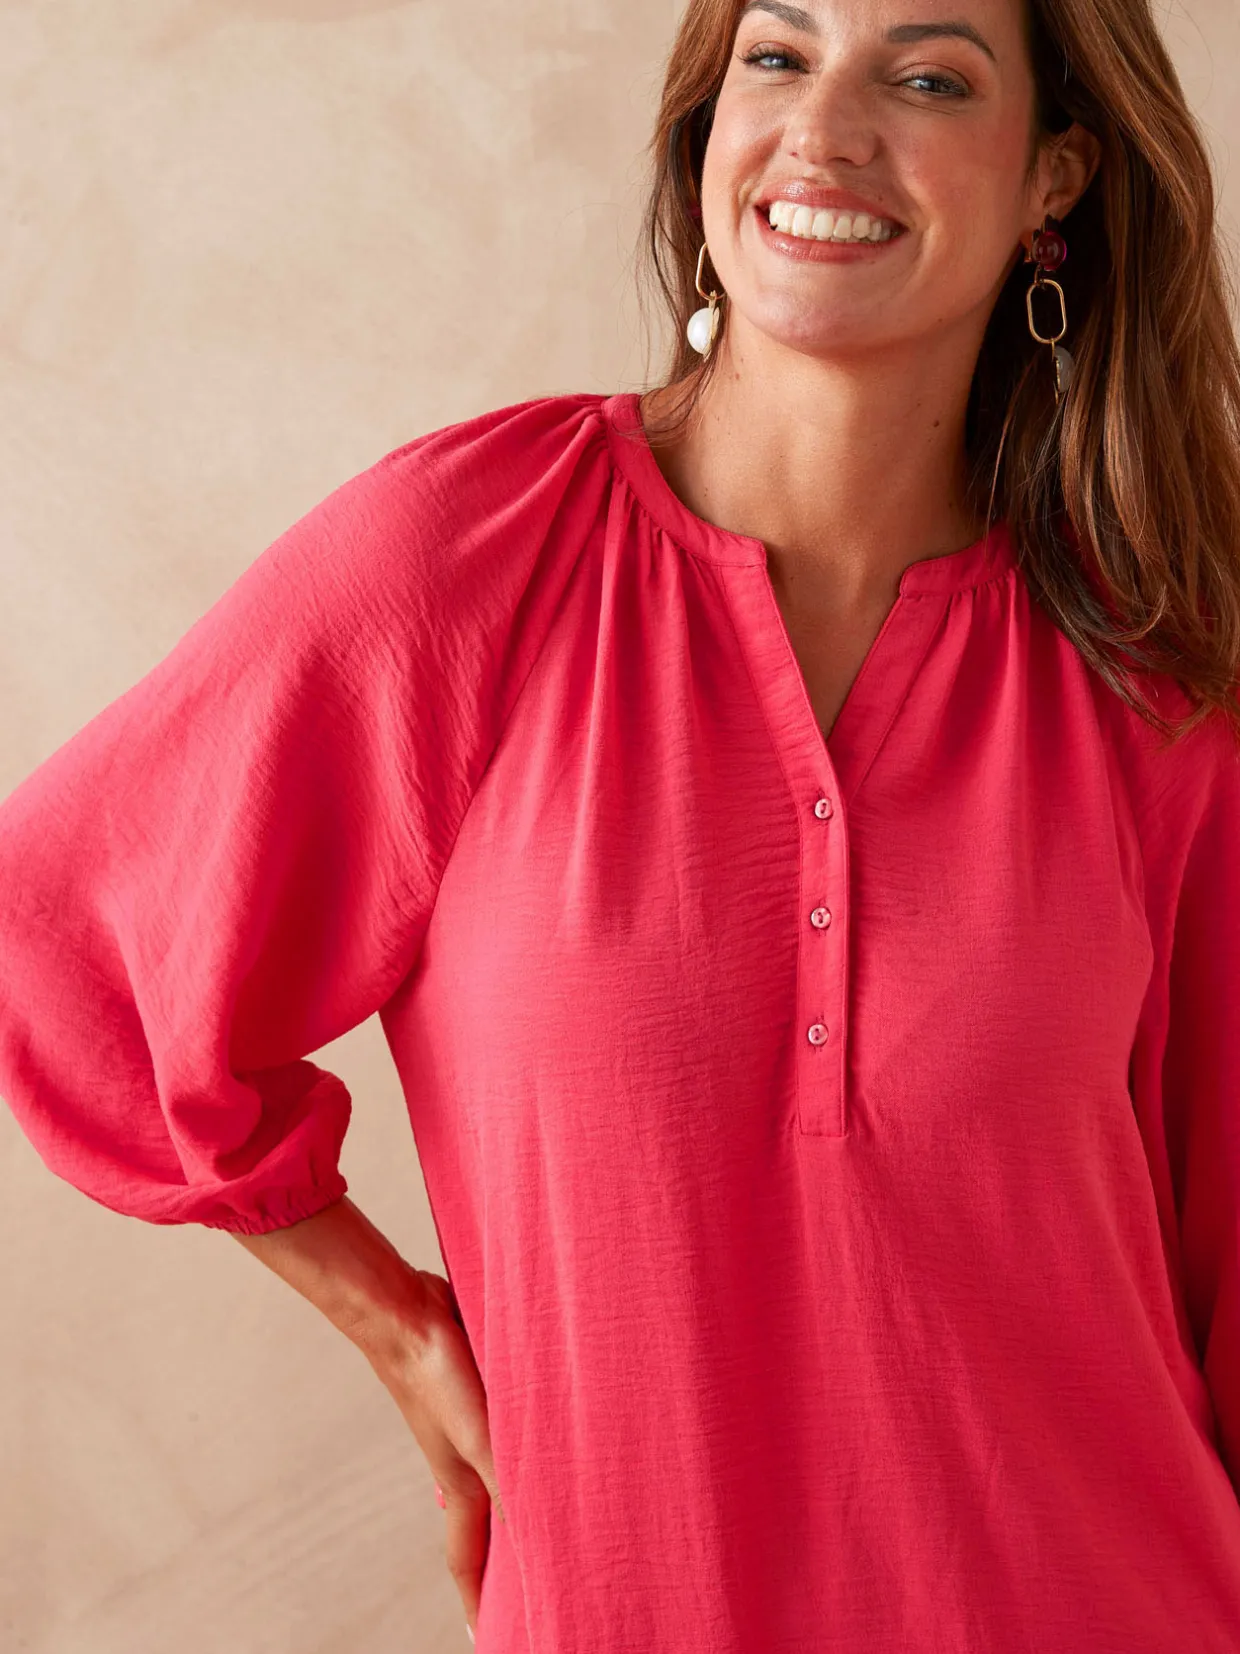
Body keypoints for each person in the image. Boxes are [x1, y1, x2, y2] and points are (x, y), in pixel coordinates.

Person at [3, 0, 1240, 1647]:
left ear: (1054, 181)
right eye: (777, 57)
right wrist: (400, 1326)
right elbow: (59, 943)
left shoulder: (1150, 684)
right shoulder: (475, 565)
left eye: (928, 77)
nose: (825, 130)